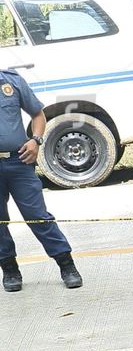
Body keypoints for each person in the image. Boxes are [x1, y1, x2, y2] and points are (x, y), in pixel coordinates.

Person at [0, 66, 79, 292]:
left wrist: (36, 140)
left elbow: (37, 114)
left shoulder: (11, 81)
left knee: (37, 216)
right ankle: (9, 269)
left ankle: (66, 264)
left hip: (19, 161)